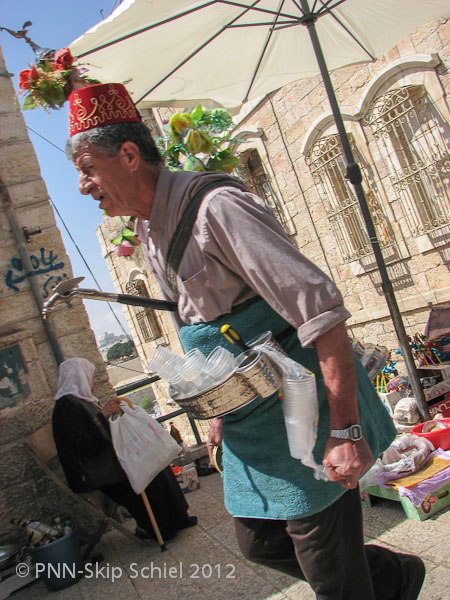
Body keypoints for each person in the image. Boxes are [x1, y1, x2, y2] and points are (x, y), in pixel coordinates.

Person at [65, 82, 425, 599]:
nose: (81, 184)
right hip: (252, 417)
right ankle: (398, 578)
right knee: (260, 543)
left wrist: (345, 432)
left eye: (86, 166)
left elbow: (321, 312)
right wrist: (218, 414)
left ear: (128, 154)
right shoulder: (148, 231)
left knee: (332, 575)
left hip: (307, 409)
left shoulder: (218, 209)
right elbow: (202, 329)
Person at [52, 357, 197, 541]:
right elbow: (85, 446)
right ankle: (161, 529)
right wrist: (104, 415)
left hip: (102, 462)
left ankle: (178, 518)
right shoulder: (66, 408)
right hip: (93, 472)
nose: (94, 381)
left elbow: (97, 433)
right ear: (79, 377)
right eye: (91, 377)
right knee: (142, 472)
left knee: (153, 462)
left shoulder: (80, 401)